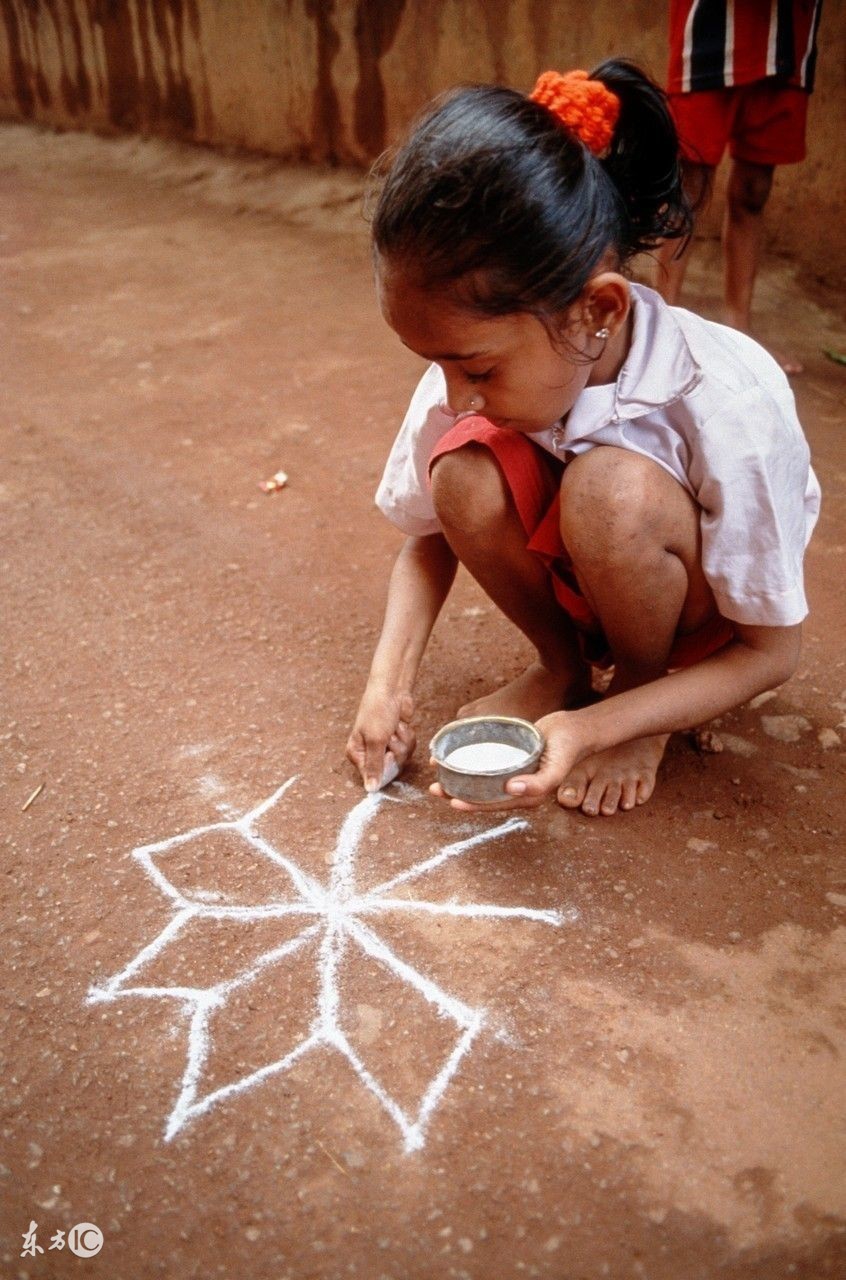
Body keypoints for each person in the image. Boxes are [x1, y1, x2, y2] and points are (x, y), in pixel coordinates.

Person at [345, 61, 820, 817]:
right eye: (437, 364)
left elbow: (772, 653)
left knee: (610, 490)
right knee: (462, 469)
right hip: (585, 583)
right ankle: (560, 667)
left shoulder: (726, 397)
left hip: (693, 621)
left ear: (598, 309)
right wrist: (386, 687)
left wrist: (598, 729)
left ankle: (641, 694)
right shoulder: (468, 366)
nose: (454, 391)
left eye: (475, 368)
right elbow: (430, 535)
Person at [656, 0, 824, 374]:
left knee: (753, 190)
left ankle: (740, 329)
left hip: (788, 41)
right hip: (711, 31)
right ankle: (662, 324)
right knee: (691, 183)